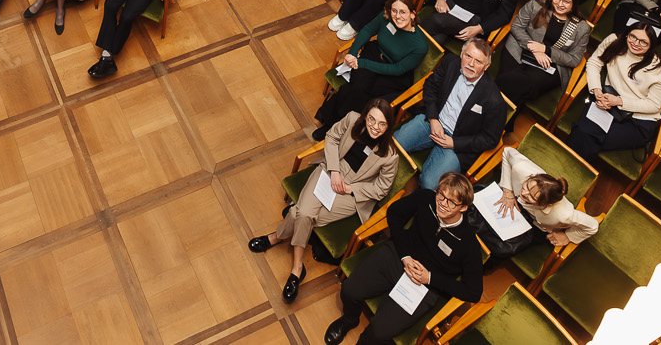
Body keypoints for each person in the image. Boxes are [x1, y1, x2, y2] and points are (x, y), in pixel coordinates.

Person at [248, 100, 400, 305]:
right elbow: (332, 138)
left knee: (299, 214)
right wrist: (335, 171)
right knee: (304, 214)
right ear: (365, 116)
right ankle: (297, 269)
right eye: (372, 119)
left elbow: (381, 188)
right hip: (330, 170)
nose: (375, 126)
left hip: (352, 193)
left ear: (388, 126)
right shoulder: (352, 118)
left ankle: (276, 237)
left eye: (382, 124)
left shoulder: (390, 156)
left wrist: (350, 188)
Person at [324, 172, 482, 345]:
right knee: (349, 289)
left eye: (451, 202)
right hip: (399, 255)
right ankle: (349, 319)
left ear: (463, 207)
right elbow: (394, 213)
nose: (443, 204)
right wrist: (405, 255)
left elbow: (473, 292)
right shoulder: (426, 198)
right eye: (441, 195)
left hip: (425, 284)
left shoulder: (468, 243)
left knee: (379, 332)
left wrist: (430, 278)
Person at [393, 39, 507, 184]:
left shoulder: (494, 100)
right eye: (468, 56)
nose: (471, 64)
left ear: (487, 66)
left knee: (429, 184)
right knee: (392, 146)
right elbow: (430, 86)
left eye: (478, 61)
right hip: (433, 122)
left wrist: (454, 143)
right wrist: (433, 118)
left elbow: (490, 139)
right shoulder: (451, 63)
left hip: (457, 143)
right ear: (461, 54)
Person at [319, 0, 431, 127]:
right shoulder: (386, 18)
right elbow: (367, 30)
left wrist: (361, 63)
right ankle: (336, 126)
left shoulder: (420, 46)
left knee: (365, 97)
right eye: (394, 11)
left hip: (394, 75)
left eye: (403, 12)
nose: (397, 16)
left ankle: (332, 124)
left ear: (413, 14)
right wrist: (353, 53)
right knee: (357, 89)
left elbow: (397, 69)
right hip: (374, 54)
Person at [565, 25, 661, 162]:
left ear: (651, 45)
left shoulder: (659, 68)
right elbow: (594, 62)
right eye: (633, 36)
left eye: (643, 42)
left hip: (638, 120)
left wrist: (619, 101)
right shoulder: (614, 42)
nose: (636, 43)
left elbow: (654, 105)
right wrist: (596, 90)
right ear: (627, 34)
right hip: (608, 104)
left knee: (586, 135)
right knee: (584, 131)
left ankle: (563, 173)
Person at [485, 146, 600, 264]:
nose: (524, 193)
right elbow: (507, 151)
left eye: (532, 196)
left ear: (547, 204)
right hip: (512, 200)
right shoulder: (522, 168)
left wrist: (567, 237)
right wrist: (508, 191)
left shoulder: (564, 214)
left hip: (536, 227)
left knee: (499, 249)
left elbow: (593, 226)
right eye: (527, 186)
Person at [494, 0, 592, 108]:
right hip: (521, 47)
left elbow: (574, 59)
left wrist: (546, 50)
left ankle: (488, 92)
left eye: (566, 2)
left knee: (527, 82)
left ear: (574, 3)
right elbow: (517, 26)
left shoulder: (581, 27)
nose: (560, 4)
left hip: (550, 63)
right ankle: (507, 120)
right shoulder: (536, 4)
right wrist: (535, 50)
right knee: (513, 76)